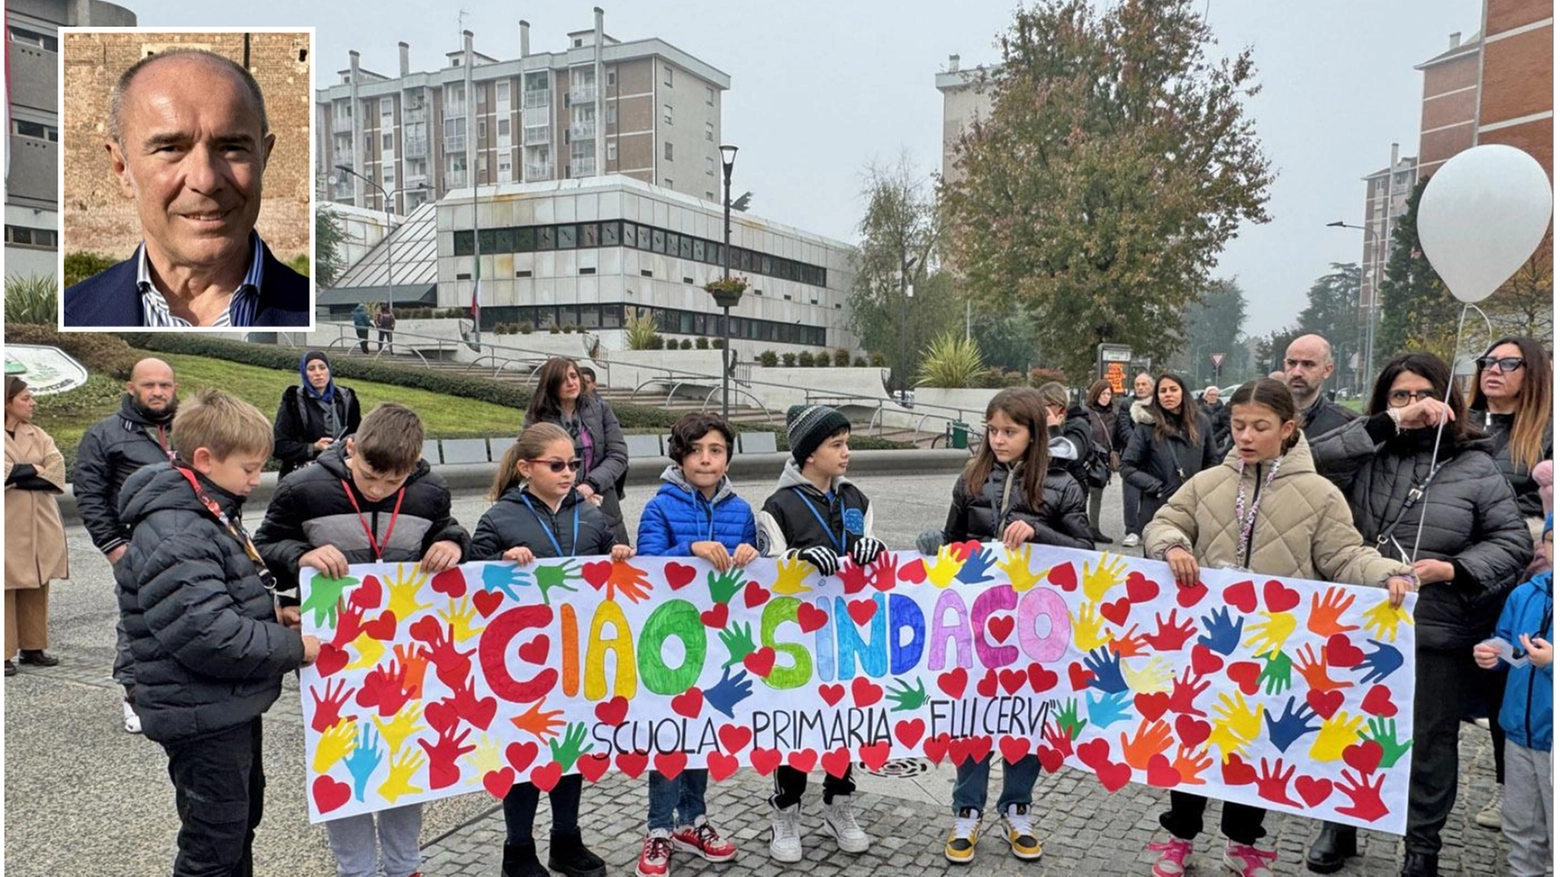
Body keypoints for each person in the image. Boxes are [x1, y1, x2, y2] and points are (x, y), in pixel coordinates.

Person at [1142, 378, 1416, 877]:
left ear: (1288, 429)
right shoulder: (1208, 484)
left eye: (1260, 427)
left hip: (1276, 651)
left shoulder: (1319, 494)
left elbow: (1342, 555)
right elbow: (1164, 522)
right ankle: (1179, 835)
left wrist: (1385, 573)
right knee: (1194, 740)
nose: (1246, 436)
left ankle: (1243, 842)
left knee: (1256, 745)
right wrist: (1173, 546)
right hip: (1210, 647)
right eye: (1238, 426)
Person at [1303, 352, 1532, 877]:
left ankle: (1422, 846)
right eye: (1399, 395)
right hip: (1357, 619)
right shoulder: (1364, 451)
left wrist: (1454, 570)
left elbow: (1512, 541)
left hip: (1433, 627)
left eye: (1423, 394)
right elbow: (1303, 463)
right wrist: (1387, 424)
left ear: (1448, 401)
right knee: (1344, 729)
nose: (1414, 405)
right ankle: (1339, 824)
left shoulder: (1476, 464)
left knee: (1429, 743)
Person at [254, 402, 467, 877]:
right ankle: (356, 870)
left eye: (392, 482)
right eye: (369, 474)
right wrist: (301, 555)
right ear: (351, 447)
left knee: (404, 758)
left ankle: (406, 865)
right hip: (334, 653)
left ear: (411, 468)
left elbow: (446, 528)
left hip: (404, 655)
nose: (377, 488)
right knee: (346, 763)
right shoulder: (302, 487)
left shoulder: (429, 490)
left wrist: (454, 542)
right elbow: (263, 548)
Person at [115, 389, 319, 876]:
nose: (256, 479)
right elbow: (208, 633)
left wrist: (277, 615)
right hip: (199, 710)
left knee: (237, 822)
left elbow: (222, 598)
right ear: (205, 459)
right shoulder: (181, 529)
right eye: (249, 468)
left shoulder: (206, 511)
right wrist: (294, 647)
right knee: (213, 842)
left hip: (219, 702)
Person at [932, 387, 1091, 865]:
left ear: (1033, 433)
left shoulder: (1063, 484)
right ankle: (967, 810)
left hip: (1038, 627)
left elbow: (1086, 551)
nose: (999, 440)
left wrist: (1037, 531)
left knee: (1027, 717)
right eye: (993, 430)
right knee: (974, 717)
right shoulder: (971, 478)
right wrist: (933, 555)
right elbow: (951, 542)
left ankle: (1017, 807)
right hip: (978, 623)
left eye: (1010, 431)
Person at [470, 422, 625, 877]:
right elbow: (469, 583)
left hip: (575, 655)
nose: (567, 472)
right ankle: (518, 849)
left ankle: (566, 839)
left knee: (569, 750)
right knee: (521, 751)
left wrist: (620, 557)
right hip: (519, 661)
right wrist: (498, 564)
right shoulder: (500, 518)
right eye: (556, 465)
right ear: (525, 468)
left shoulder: (593, 516)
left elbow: (610, 575)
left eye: (573, 464)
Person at [62, 50, 309, 327]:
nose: (205, 180)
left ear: (264, 157)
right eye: (171, 149)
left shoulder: (314, 311)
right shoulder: (72, 313)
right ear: (122, 167)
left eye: (231, 148)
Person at [755, 404, 887, 862]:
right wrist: (796, 561)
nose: (847, 452)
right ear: (810, 453)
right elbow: (764, 574)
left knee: (842, 721)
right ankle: (786, 807)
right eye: (837, 444)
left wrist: (875, 551)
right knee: (795, 722)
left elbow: (872, 564)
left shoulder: (856, 500)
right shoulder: (779, 506)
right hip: (795, 639)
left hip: (846, 635)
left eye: (847, 442)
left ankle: (838, 802)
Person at [633, 413, 754, 877]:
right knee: (668, 736)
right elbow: (645, 565)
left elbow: (751, 581)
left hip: (715, 641)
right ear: (679, 456)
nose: (706, 459)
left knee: (701, 734)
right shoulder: (660, 506)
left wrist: (750, 555)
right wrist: (690, 550)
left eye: (716, 450)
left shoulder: (740, 511)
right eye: (697, 450)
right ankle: (659, 827)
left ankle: (693, 818)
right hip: (667, 641)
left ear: (727, 457)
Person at [1464, 335, 1553, 829]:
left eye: (1508, 363)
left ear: (1532, 372)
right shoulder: (1466, 426)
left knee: (1509, 684)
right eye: (1487, 361)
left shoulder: (1546, 433)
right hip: (1462, 573)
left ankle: (1510, 789)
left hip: (1519, 578)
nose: (1493, 370)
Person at [73, 357, 179, 733]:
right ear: (131, 388)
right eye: (149, 385)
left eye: (164, 385)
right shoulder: (105, 435)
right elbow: (90, 495)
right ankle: (134, 694)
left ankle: (177, 691)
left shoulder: (191, 430)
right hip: (135, 546)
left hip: (186, 545)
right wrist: (113, 546)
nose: (157, 392)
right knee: (137, 622)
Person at [1474, 513, 1552, 877]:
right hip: (1519, 732)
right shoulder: (1525, 594)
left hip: (1553, 740)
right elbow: (1506, 640)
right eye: (1550, 540)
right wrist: (1493, 651)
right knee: (1521, 827)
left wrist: (1551, 662)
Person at [525, 357, 631, 544]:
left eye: (574, 376)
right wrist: (572, 492)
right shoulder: (537, 416)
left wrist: (590, 485)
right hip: (557, 503)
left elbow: (618, 453)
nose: (571, 383)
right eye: (563, 379)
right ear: (551, 384)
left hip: (602, 500)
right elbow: (532, 458)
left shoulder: (600, 408)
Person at [4, 377, 69, 677]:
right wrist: (32, 469)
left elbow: (56, 470)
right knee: (5, 584)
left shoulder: (38, 433)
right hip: (9, 521)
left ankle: (33, 646)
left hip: (40, 519)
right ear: (6, 402)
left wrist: (17, 476)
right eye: (26, 398)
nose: (33, 403)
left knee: (38, 580)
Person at [1119, 373, 1218, 538]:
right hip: (1157, 507)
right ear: (1157, 396)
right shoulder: (1147, 425)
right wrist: (1156, 487)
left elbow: (1212, 461)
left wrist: (1200, 487)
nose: (1168, 394)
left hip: (1192, 505)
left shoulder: (1201, 422)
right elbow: (1126, 467)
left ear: (1183, 392)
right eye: (1163, 391)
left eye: (1173, 389)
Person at [272, 350, 362, 478]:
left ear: (329, 370)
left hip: (339, 473)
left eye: (322, 367)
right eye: (311, 369)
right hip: (302, 475)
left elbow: (358, 436)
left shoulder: (346, 398)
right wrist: (314, 447)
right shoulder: (294, 401)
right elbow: (279, 446)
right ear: (304, 373)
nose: (318, 373)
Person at [1284, 335, 1356, 439]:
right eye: (1291, 363)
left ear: (1327, 370)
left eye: (1308, 364)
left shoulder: (1347, 426)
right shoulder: (1261, 415)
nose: (1296, 372)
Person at [1114, 372, 1155, 547]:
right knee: (1130, 495)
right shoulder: (1126, 404)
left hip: (1154, 457)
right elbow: (1123, 428)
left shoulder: (1157, 405)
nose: (1140, 387)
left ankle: (1146, 530)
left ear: (1151, 387)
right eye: (1137, 384)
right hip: (1132, 456)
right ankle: (1131, 530)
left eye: (1144, 384)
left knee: (1151, 496)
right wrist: (1138, 446)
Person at [1084, 379, 1119, 543]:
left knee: (1097, 494)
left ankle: (1094, 528)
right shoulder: (1086, 412)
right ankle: (1079, 527)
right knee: (1081, 494)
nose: (1106, 397)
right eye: (1103, 393)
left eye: (1108, 394)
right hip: (1087, 459)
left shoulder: (1113, 415)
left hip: (1103, 461)